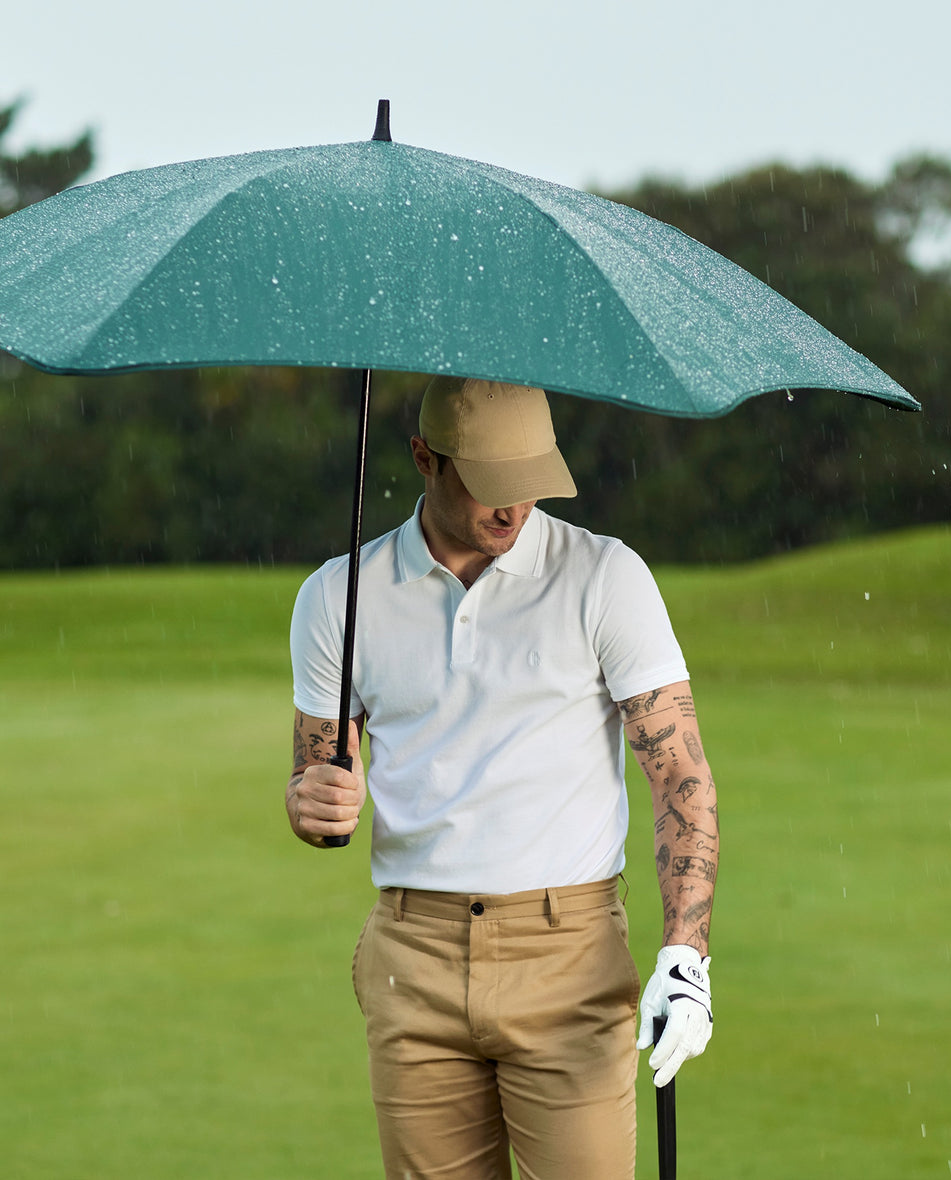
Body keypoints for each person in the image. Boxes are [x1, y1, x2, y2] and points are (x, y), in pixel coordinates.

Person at [286, 377, 718, 1180]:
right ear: (425, 459)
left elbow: (679, 775)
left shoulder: (605, 577)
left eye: (531, 482)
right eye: (491, 484)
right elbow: (315, 789)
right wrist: (312, 804)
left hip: (570, 960)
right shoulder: (336, 599)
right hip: (413, 957)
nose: (513, 509)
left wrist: (685, 957)